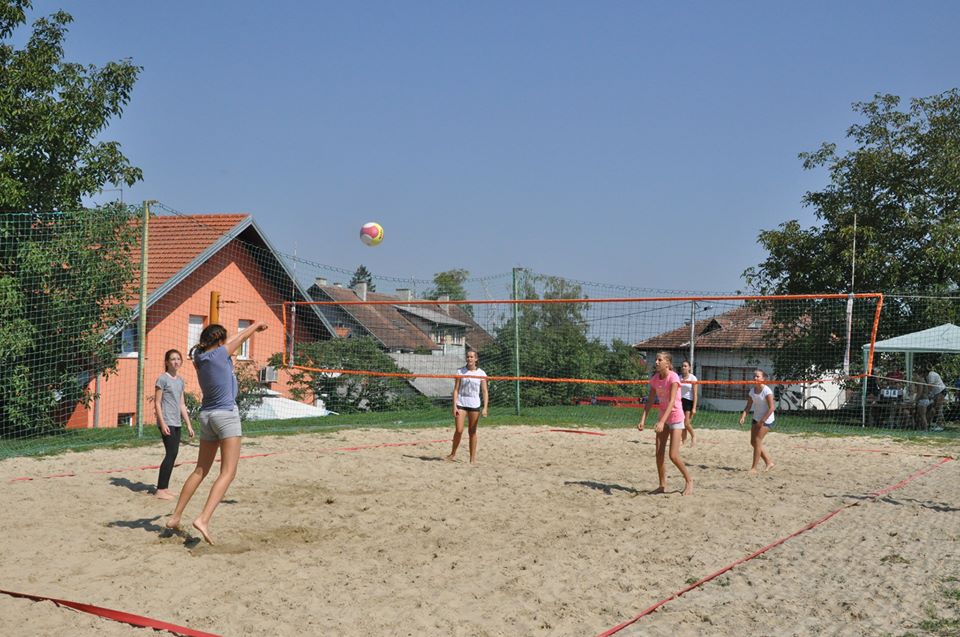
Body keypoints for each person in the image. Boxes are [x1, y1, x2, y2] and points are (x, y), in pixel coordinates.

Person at [165, 321, 268, 544]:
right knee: (228, 472)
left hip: (207, 416)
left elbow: (231, 341)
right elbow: (240, 339)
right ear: (220, 342)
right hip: (225, 415)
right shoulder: (220, 355)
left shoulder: (199, 357)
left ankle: (176, 516)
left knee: (200, 470)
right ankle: (203, 519)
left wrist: (237, 334)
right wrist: (256, 326)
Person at [638, 352, 693, 495]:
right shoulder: (655, 379)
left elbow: (672, 401)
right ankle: (662, 485)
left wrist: (662, 422)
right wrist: (643, 419)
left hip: (675, 417)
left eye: (659, 360)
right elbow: (650, 400)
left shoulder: (673, 377)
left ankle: (689, 481)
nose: (656, 362)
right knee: (659, 454)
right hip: (663, 417)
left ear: (667, 363)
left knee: (673, 455)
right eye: (656, 359)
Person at [154, 349, 194, 499]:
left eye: (178, 359)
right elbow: (157, 403)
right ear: (167, 362)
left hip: (176, 422)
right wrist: (162, 423)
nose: (176, 361)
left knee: (174, 454)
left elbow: (182, 404)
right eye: (172, 359)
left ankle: (164, 488)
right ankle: (160, 490)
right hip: (167, 421)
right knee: (170, 453)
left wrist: (188, 424)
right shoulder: (162, 379)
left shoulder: (180, 381)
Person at [445, 349, 488, 464]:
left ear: (476, 359)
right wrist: (454, 406)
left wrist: (485, 407)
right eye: (468, 357)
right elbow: (456, 390)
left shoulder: (481, 373)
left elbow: (484, 391)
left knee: (472, 432)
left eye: (471, 357)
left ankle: (472, 458)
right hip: (461, 403)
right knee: (459, 430)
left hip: (474, 404)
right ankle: (453, 453)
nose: (469, 359)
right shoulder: (460, 371)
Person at [738, 369, 776, 473]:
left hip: (767, 420)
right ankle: (769, 462)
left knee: (758, 440)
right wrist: (743, 416)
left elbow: (772, 408)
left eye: (757, 376)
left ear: (763, 379)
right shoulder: (752, 391)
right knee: (753, 442)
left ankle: (754, 468)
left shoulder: (767, 391)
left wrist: (762, 421)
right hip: (756, 418)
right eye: (754, 376)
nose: (755, 378)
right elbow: (748, 406)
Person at [916, 366, 947, 431]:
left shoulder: (931, 375)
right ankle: (934, 424)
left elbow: (930, 387)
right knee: (933, 409)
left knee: (938, 408)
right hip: (935, 394)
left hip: (941, 391)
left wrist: (927, 395)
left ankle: (940, 425)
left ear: (925, 372)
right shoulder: (927, 377)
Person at [678, 361, 698, 446]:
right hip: (680, 401)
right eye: (682, 366)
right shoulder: (679, 377)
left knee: (686, 423)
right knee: (682, 423)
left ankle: (693, 436)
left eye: (685, 366)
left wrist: (694, 407)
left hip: (689, 401)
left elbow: (695, 394)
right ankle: (684, 441)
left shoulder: (693, 378)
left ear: (689, 368)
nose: (683, 367)